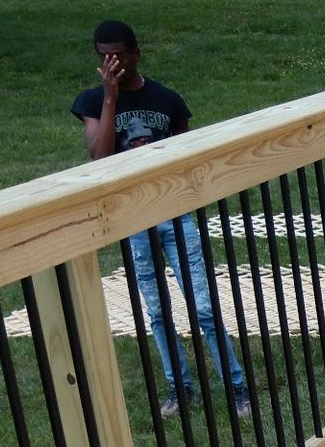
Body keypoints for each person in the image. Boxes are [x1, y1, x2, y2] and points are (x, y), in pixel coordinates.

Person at [72, 20, 249, 419]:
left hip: (175, 214)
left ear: (136, 53)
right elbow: (99, 160)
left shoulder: (167, 100)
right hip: (134, 220)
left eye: (118, 54)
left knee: (202, 306)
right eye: (103, 57)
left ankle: (237, 388)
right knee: (156, 311)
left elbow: (188, 158)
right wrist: (110, 99)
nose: (111, 62)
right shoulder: (91, 102)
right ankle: (180, 388)